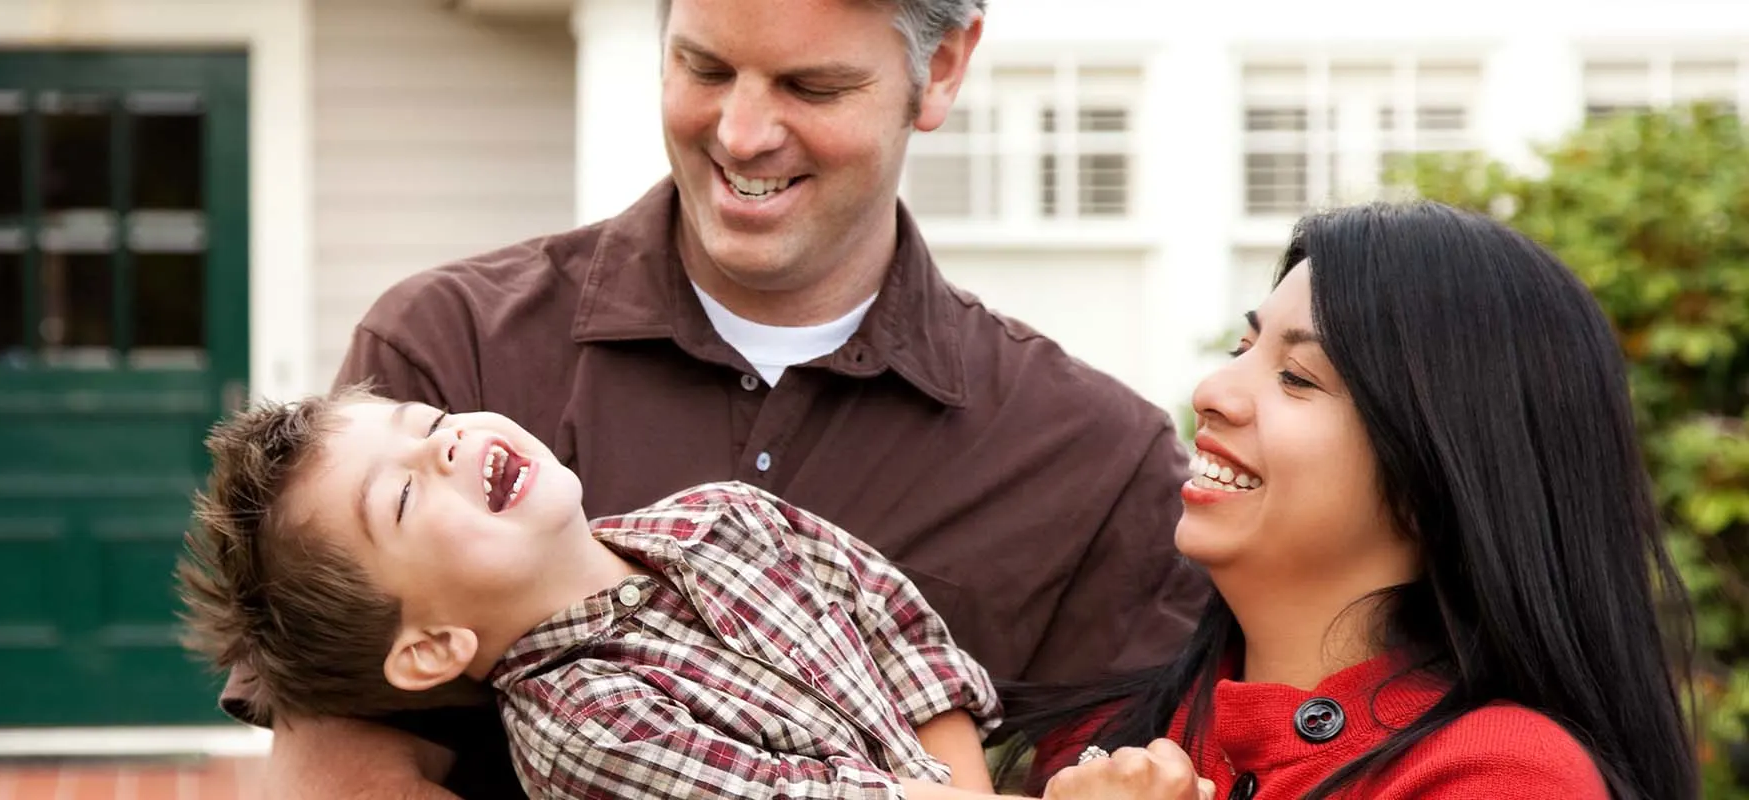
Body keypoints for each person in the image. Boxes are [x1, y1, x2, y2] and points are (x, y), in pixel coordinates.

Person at [223, 0, 1210, 796]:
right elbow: (340, 776)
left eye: (810, 84)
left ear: (941, 67)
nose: (740, 132)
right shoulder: (447, 346)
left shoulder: (1097, 460)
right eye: (703, 68)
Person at [991, 201, 1701, 799]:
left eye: (1297, 377)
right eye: (1244, 349)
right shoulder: (1105, 744)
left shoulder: (1500, 771)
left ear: (1438, 472)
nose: (1212, 393)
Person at [177, 387, 1016, 798]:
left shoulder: (722, 514)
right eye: (399, 500)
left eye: (430, 425)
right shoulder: (585, 726)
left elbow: (900, 629)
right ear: (432, 646)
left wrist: (966, 788)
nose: (445, 451)